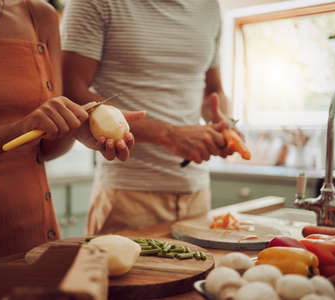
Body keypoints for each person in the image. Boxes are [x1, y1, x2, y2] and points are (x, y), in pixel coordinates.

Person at [0, 0, 141, 260]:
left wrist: (73, 128)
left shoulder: (40, 15)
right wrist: (17, 129)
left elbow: (45, 149)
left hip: (33, 244)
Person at [60, 0, 242, 235]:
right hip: (127, 196)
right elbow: (70, 92)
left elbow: (212, 90)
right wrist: (169, 135)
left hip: (197, 194)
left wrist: (226, 124)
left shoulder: (209, 6)